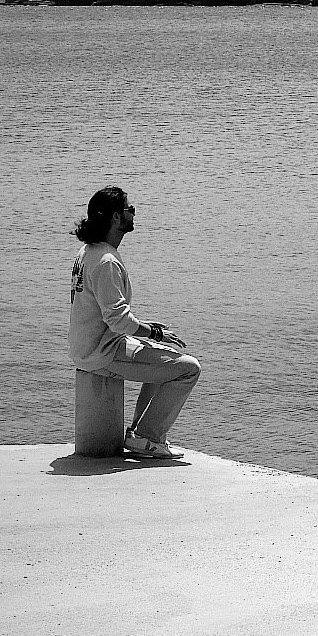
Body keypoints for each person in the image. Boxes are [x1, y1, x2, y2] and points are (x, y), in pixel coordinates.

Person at [69, 184, 201, 461]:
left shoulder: (88, 252)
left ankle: (140, 434)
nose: (133, 214)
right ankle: (148, 437)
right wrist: (153, 332)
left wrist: (151, 331)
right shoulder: (107, 261)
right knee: (188, 369)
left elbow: (107, 313)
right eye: (130, 209)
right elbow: (117, 319)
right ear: (116, 218)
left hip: (93, 344)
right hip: (101, 353)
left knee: (170, 357)